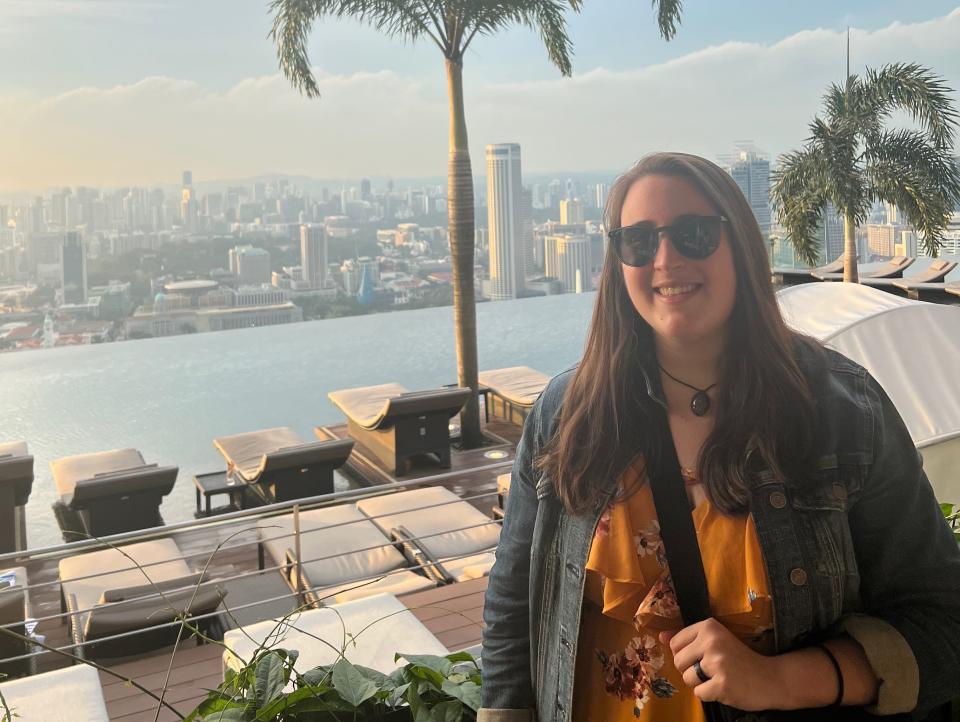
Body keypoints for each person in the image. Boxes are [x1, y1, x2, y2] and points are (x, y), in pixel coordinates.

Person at [478, 152, 960, 722]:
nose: (665, 259)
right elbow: (514, 606)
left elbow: (942, 620)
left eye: (694, 234)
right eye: (638, 241)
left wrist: (781, 680)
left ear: (741, 247)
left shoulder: (840, 411)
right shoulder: (569, 413)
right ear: (617, 261)